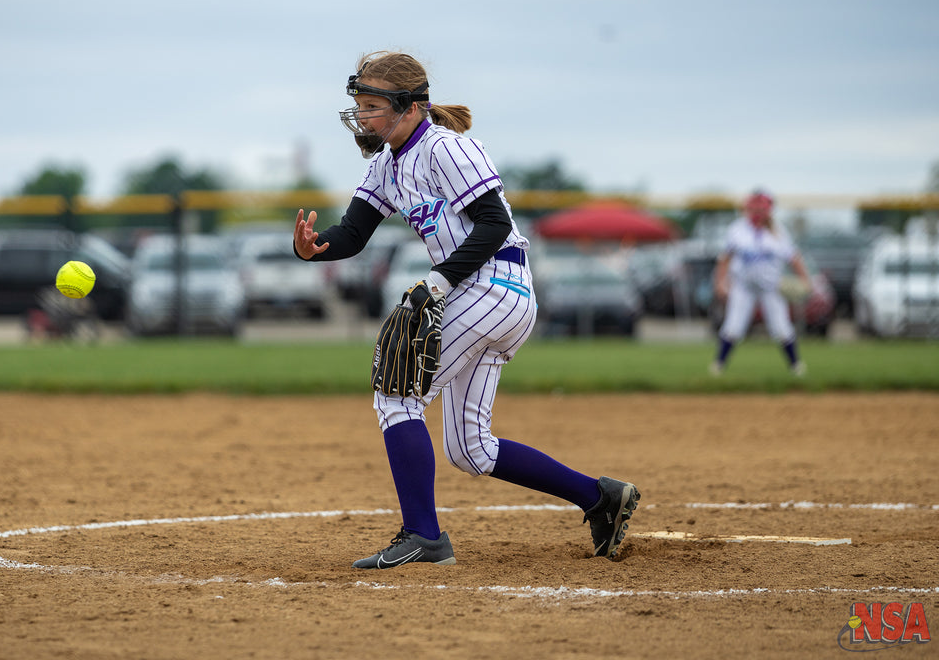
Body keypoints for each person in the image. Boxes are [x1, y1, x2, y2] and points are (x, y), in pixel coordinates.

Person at [292, 51, 640, 569]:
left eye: (371, 105)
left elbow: (494, 223)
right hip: (480, 295)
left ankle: (424, 537)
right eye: (359, 105)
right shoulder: (387, 165)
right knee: (469, 448)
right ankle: (600, 498)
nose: (361, 116)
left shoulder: (445, 148)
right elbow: (353, 233)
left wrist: (437, 281)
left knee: (396, 396)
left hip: (494, 289)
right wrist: (314, 246)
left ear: (410, 106)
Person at [710, 189, 812, 377]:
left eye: (761, 208)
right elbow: (724, 258)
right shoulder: (737, 229)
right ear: (747, 208)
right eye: (754, 208)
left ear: (768, 210)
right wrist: (720, 282)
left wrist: (806, 280)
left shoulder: (778, 231)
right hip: (743, 286)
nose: (757, 212)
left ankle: (796, 366)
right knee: (733, 327)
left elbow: (794, 257)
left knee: (781, 328)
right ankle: (718, 366)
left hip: (770, 287)